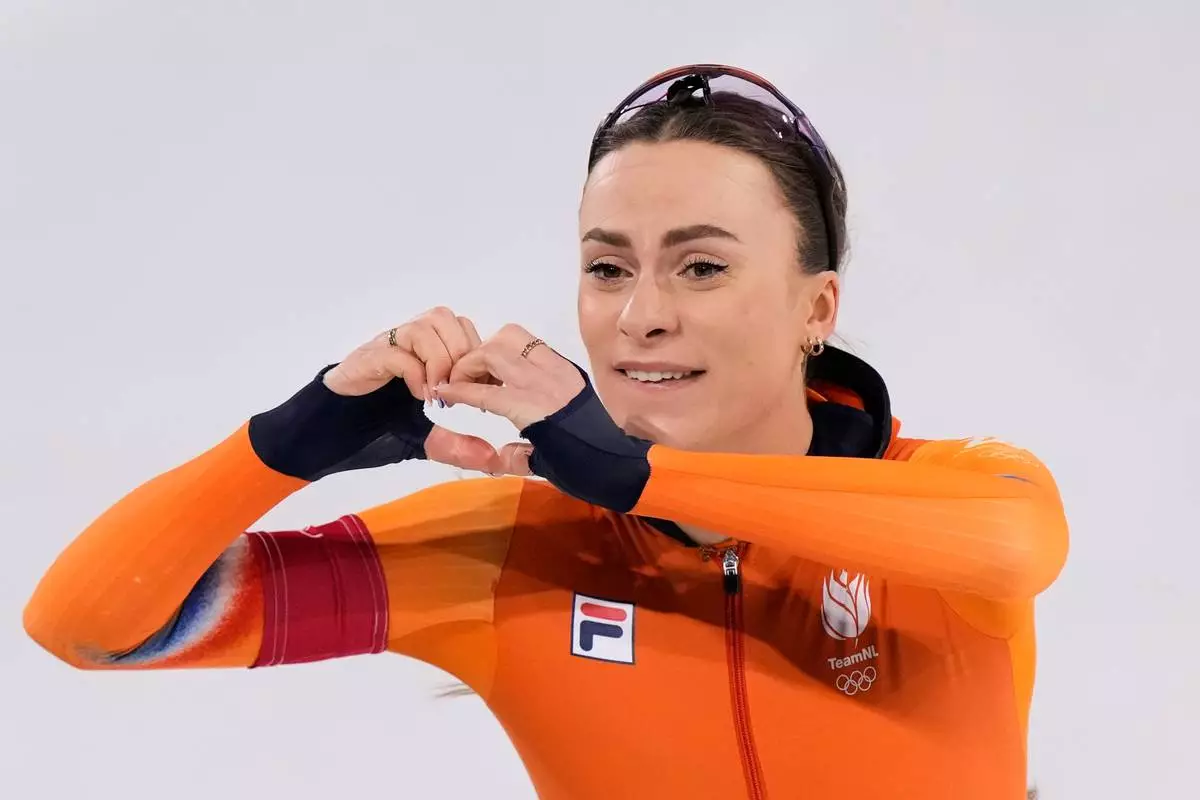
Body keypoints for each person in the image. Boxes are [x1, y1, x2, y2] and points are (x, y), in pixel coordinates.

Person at [23, 64, 1068, 799]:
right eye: (608, 265)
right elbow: (90, 623)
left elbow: (1021, 543)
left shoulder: (947, 496)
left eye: (701, 265)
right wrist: (286, 443)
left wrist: (640, 476)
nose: (639, 313)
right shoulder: (514, 546)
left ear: (817, 308)